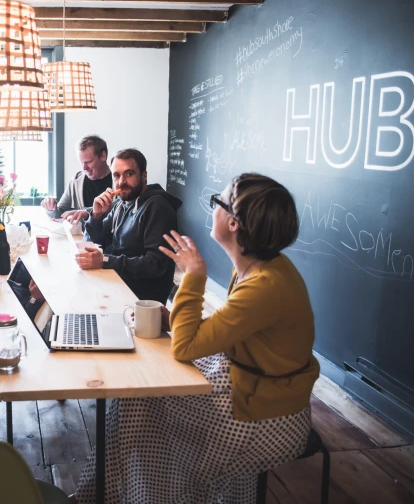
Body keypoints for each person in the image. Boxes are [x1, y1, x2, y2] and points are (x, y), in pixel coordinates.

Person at [73, 173, 320, 504]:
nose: (213, 207)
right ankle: (110, 492)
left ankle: (132, 493)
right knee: (138, 392)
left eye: (218, 201)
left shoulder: (264, 285)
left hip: (262, 415)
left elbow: (186, 347)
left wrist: (193, 275)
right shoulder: (260, 268)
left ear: (234, 223)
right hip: (250, 386)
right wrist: (173, 317)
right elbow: (228, 331)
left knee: (137, 397)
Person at [76, 149, 181, 304]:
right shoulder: (120, 205)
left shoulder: (158, 207)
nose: (121, 182)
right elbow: (97, 242)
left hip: (139, 302)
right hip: (116, 286)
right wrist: (96, 217)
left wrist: (104, 260)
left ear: (143, 176)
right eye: (117, 175)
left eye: (129, 174)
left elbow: (155, 264)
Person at [40, 135, 112, 225]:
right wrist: (51, 208)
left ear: (103, 156)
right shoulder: (76, 181)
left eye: (88, 162)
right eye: (81, 162)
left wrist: (87, 213)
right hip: (83, 238)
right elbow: (60, 215)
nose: (84, 168)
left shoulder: (118, 181)